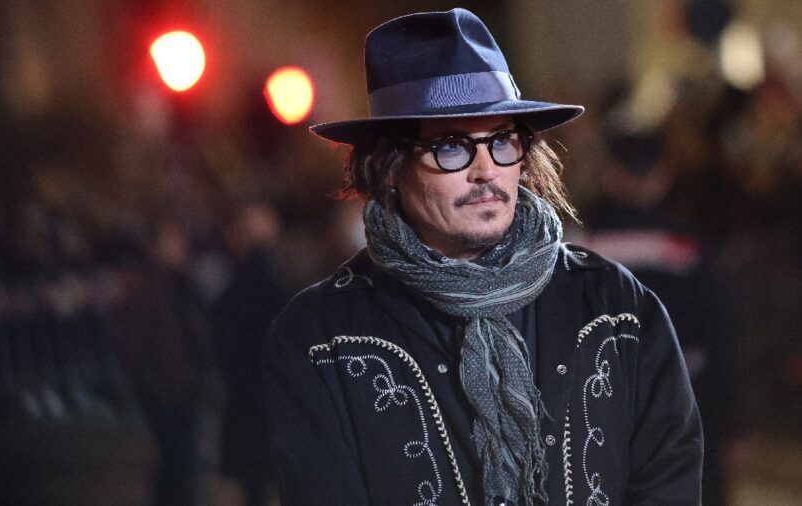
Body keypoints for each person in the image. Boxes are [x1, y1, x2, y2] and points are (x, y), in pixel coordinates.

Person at [265, 8, 702, 506]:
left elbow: (670, 481)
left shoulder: (616, 307)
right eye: (451, 146)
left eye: (501, 140)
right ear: (389, 166)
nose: (486, 170)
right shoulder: (321, 335)